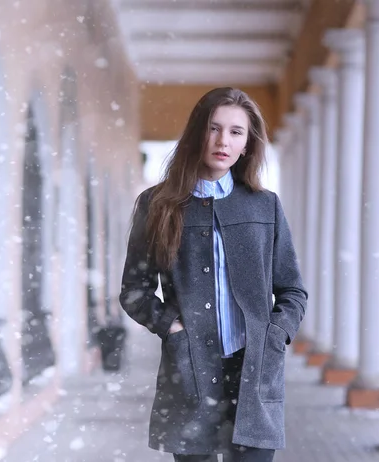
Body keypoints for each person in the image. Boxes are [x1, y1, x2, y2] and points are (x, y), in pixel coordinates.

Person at [119, 87, 307, 462]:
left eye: (236, 132)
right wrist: (172, 328)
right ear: (196, 134)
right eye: (214, 128)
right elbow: (135, 290)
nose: (223, 141)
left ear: (247, 145)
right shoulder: (157, 205)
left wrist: (275, 333)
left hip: (253, 370)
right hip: (189, 370)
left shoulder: (264, 205)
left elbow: (292, 290)